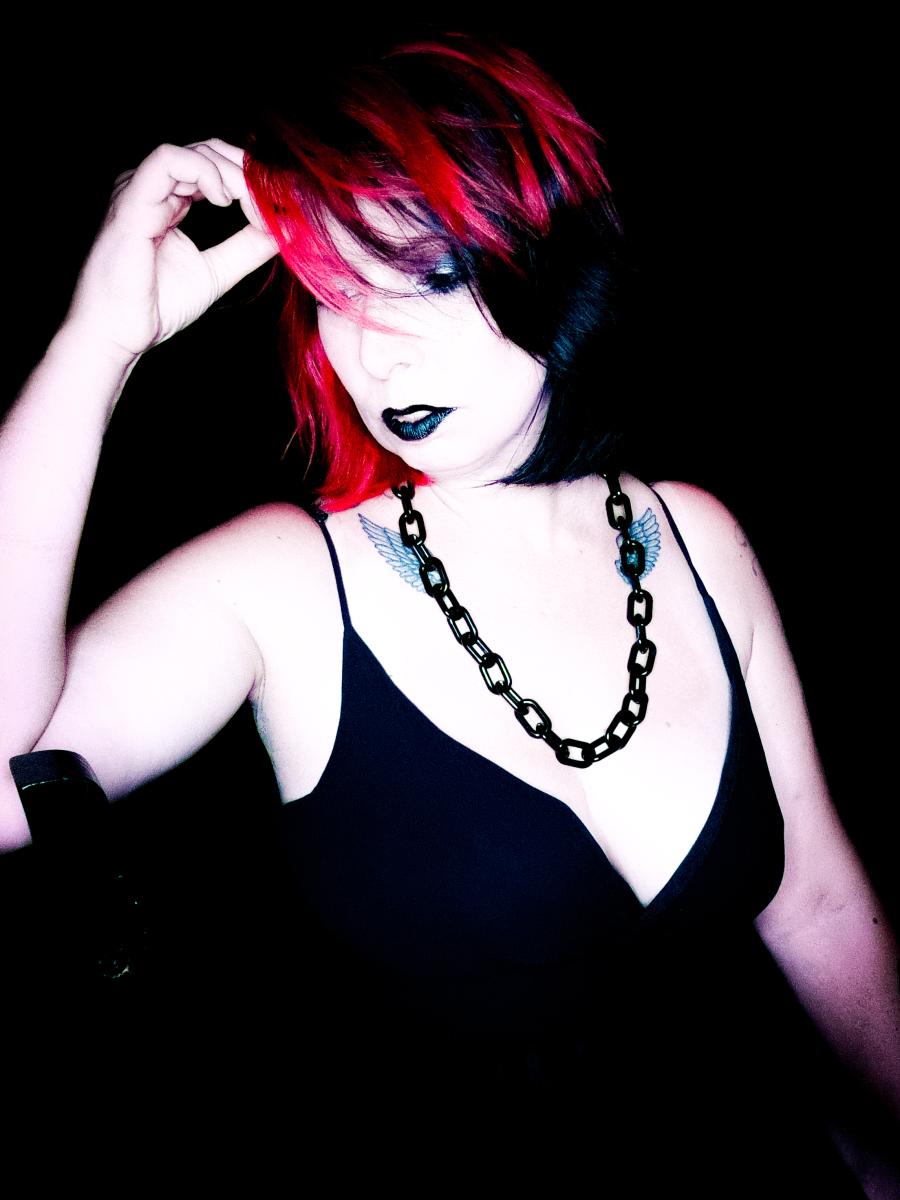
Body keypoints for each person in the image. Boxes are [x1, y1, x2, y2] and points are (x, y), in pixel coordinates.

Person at [1, 29, 897, 1194]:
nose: (377, 351)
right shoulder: (284, 585)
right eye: (338, 290)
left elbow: (818, 902)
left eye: (426, 275)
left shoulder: (695, 537)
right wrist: (96, 346)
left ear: (547, 254)